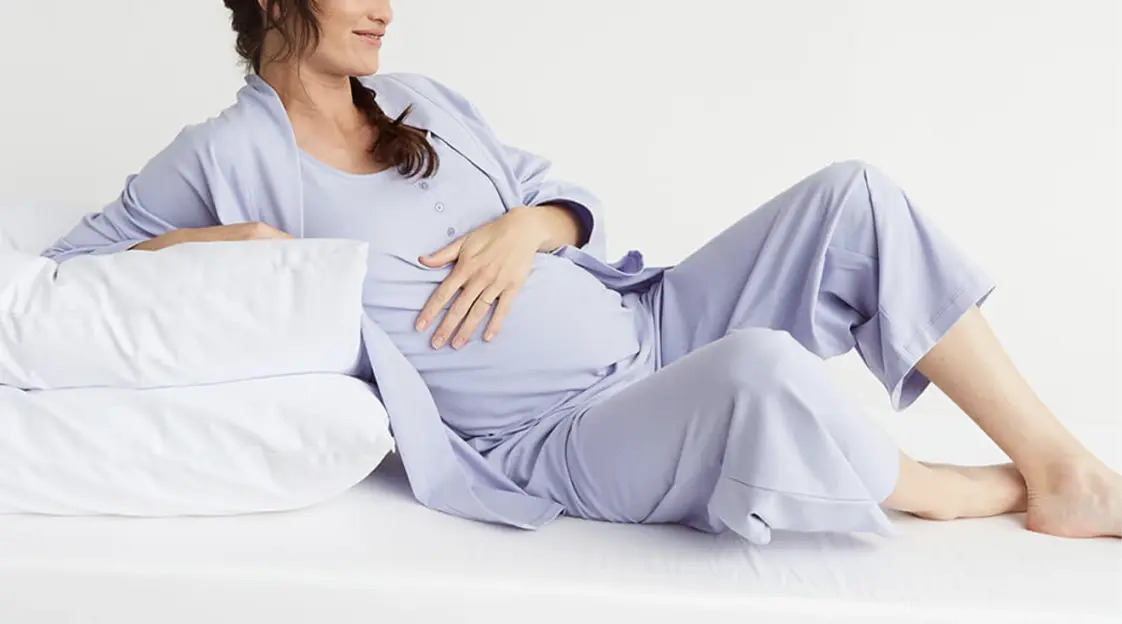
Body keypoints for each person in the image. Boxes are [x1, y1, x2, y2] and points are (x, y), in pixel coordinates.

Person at [43, 0, 1120, 543]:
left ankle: (1057, 466)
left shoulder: (418, 97)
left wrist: (531, 226)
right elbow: (65, 275)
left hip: (651, 322)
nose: (386, 5)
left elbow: (556, 193)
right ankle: (953, 493)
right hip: (559, 433)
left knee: (855, 197)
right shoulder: (226, 155)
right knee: (756, 369)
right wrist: (216, 247)